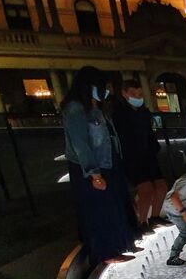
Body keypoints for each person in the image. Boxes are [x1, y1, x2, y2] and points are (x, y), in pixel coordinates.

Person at [63, 66, 138, 265]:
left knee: (115, 206)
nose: (105, 90)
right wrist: (94, 174)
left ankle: (119, 245)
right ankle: (105, 252)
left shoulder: (96, 107)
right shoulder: (75, 108)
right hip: (93, 168)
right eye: (101, 86)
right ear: (89, 85)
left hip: (109, 163)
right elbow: (80, 143)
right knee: (99, 210)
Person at [112, 79, 169, 235]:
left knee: (161, 187)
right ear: (124, 94)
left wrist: (154, 146)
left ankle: (155, 217)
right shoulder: (119, 114)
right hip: (133, 157)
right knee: (145, 189)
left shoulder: (144, 112)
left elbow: (149, 132)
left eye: (139, 94)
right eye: (133, 94)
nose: (137, 97)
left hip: (148, 154)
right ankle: (142, 222)